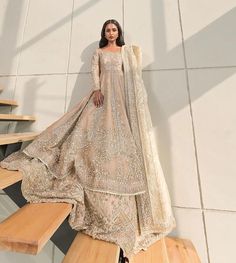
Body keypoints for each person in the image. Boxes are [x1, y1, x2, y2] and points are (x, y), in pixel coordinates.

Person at [0, 19, 176, 261]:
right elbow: (96, 71)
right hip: (103, 93)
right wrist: (96, 89)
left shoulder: (124, 52)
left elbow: (130, 76)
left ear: (119, 32)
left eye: (114, 30)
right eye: (108, 30)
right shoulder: (100, 52)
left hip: (122, 98)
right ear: (104, 33)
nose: (111, 33)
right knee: (88, 127)